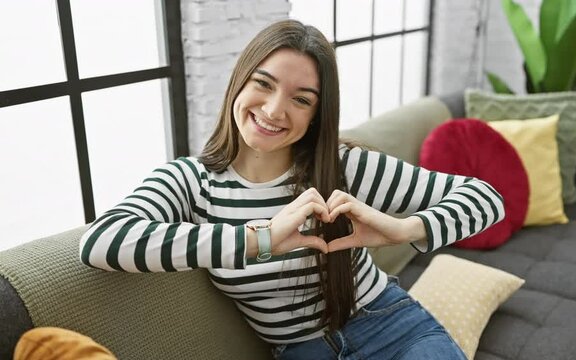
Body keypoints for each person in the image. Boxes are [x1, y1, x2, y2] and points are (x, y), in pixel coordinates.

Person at [79, 19, 504, 360]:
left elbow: (487, 198)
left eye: (301, 100)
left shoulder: (341, 166)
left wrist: (403, 229)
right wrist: (260, 238)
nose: (273, 109)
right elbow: (101, 241)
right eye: (263, 84)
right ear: (239, 83)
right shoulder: (192, 181)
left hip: (393, 327)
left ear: (317, 114)